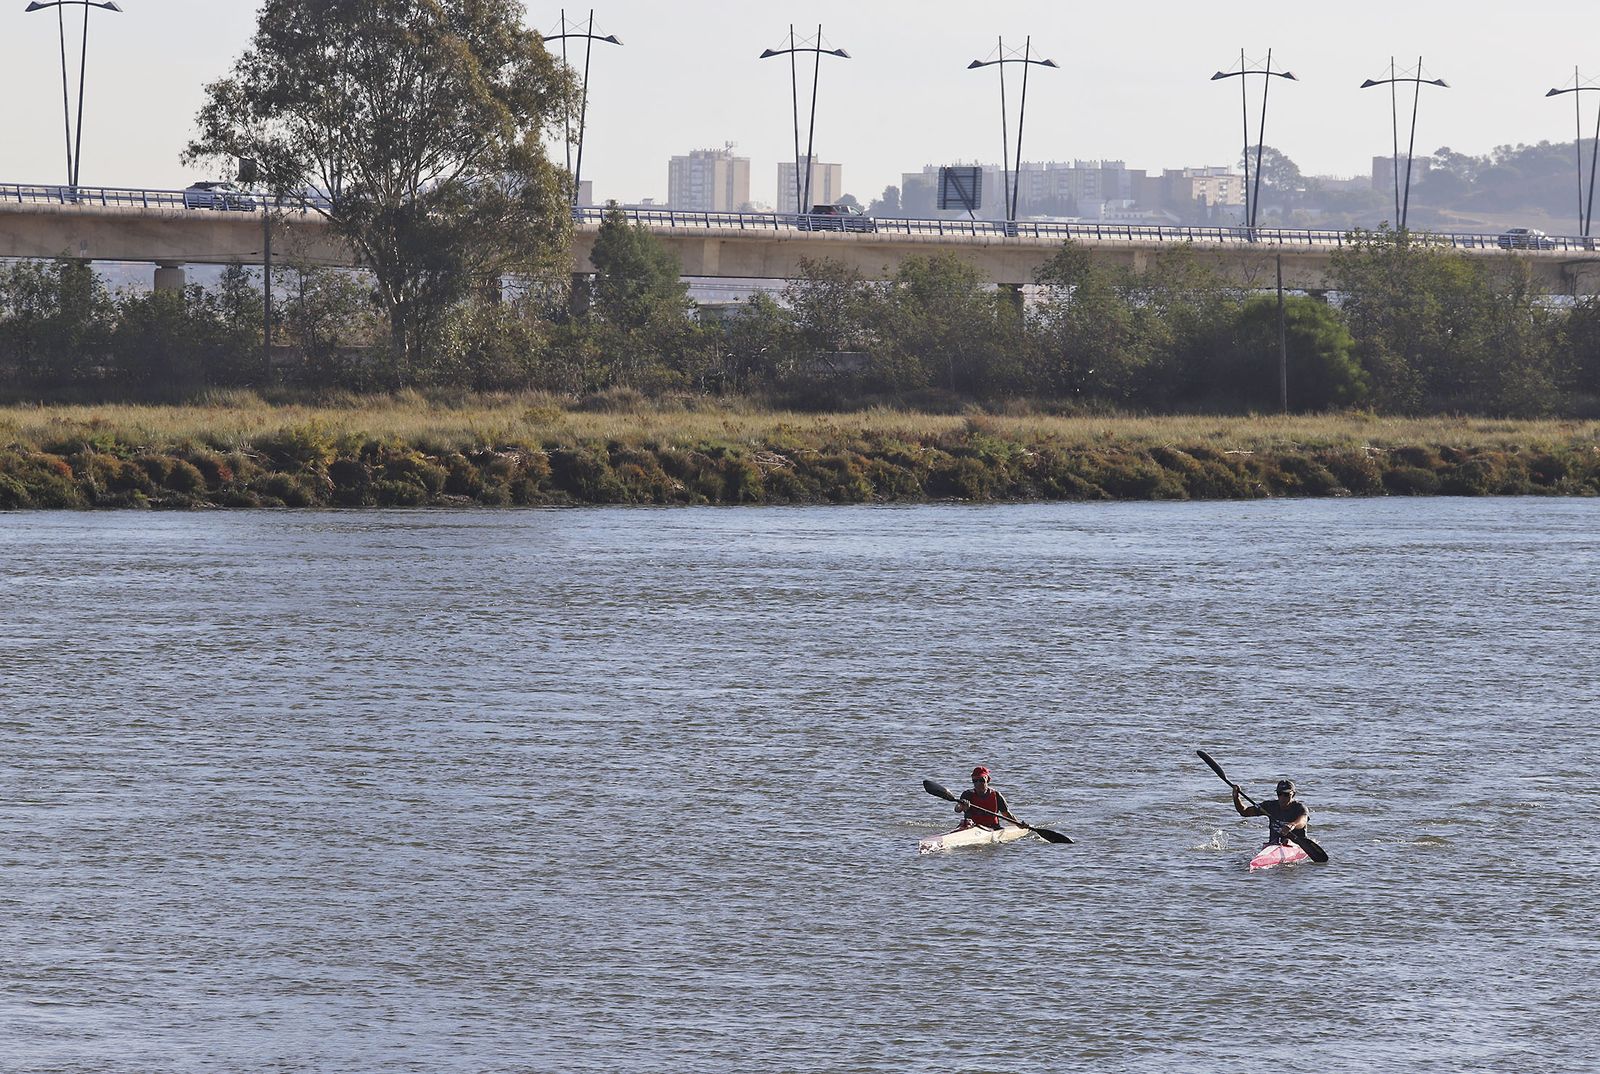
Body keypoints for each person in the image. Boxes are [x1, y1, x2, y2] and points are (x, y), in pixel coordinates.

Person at [1233, 778, 1309, 845]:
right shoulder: (1270, 806)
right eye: (1279, 794)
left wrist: (1293, 825)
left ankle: (1288, 843)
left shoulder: (1300, 808)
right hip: (1273, 845)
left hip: (1296, 844)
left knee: (1287, 841)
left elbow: (1302, 821)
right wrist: (1236, 797)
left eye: (1286, 794)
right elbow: (1244, 812)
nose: (1282, 797)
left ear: (1293, 794)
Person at [956, 766, 1022, 831]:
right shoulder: (967, 794)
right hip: (972, 827)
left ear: (988, 780)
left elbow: (1006, 814)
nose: (978, 783)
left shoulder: (996, 795)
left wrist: (1019, 825)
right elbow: (957, 809)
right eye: (975, 780)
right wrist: (962, 806)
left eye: (981, 780)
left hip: (993, 828)